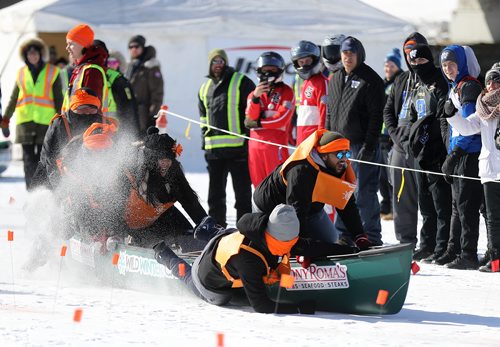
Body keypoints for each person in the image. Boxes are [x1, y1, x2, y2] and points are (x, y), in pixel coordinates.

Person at [153, 204, 357, 314]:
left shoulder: (277, 234)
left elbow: (309, 246)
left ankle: (209, 233)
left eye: (293, 240)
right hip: (209, 283)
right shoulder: (248, 260)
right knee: (194, 281)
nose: (291, 246)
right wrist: (298, 308)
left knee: (232, 238)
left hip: (223, 241)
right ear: (273, 236)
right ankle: (164, 254)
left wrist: (346, 249)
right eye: (287, 242)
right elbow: (261, 306)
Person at [253, 129, 371, 249]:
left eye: (347, 153)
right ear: (324, 155)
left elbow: (346, 203)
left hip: (309, 208)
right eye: (339, 154)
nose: (344, 159)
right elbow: (296, 210)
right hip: (273, 208)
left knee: (330, 239)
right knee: (282, 246)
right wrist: (304, 247)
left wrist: (359, 235)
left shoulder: (339, 166)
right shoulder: (301, 170)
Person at [325, 36, 385, 246]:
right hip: (339, 148)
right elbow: (330, 114)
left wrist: (369, 145)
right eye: (344, 54)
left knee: (364, 193)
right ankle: (345, 235)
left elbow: (377, 116)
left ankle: (371, 236)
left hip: (362, 146)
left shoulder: (371, 80)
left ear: (359, 55)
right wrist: (326, 142)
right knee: (340, 192)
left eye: (351, 54)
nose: (347, 58)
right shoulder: (335, 79)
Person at [443, 62, 500, 272]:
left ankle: (495, 255)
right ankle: (495, 256)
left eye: (497, 80)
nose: (492, 84)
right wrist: (452, 115)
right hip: (488, 169)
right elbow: (468, 127)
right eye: (489, 80)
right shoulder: (483, 107)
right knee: (493, 217)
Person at [122, 127, 208, 251]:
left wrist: (207, 225)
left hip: (160, 217)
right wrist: (113, 234)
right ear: (151, 159)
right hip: (130, 225)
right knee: (156, 244)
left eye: (169, 160)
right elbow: (112, 205)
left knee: (192, 239)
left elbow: (189, 202)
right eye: (162, 160)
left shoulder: (173, 170)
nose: (166, 164)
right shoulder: (131, 172)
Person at [436, 45, 483, 269]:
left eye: (452, 65)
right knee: (456, 205)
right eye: (444, 65)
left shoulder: (469, 87)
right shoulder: (454, 87)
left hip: (468, 153)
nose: (448, 69)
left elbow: (468, 126)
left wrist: (455, 154)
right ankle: (453, 249)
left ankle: (468, 253)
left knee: (466, 206)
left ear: (462, 64)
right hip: (457, 152)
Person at [383, 32, 429, 255]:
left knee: (429, 200)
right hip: (400, 146)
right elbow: (388, 111)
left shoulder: (433, 77)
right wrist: (393, 134)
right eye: (408, 51)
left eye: (416, 50)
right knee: (401, 198)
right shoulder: (401, 79)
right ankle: (405, 242)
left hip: (424, 147)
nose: (412, 55)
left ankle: (431, 244)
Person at [198, 48, 255, 227]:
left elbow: (252, 112)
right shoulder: (204, 87)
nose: (218, 65)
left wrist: (248, 141)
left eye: (221, 61)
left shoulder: (241, 82)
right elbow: (203, 118)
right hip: (214, 152)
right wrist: (205, 144)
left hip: (238, 150)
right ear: (209, 64)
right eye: (214, 61)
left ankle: (245, 232)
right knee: (215, 196)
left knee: (242, 195)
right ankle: (216, 231)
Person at [406, 44, 452, 264]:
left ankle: (442, 245)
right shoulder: (418, 85)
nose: (417, 66)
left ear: (429, 61)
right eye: (413, 62)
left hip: (437, 151)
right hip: (420, 153)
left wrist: (431, 139)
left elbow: (443, 116)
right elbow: (414, 114)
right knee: (425, 203)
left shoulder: (440, 82)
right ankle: (427, 245)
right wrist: (412, 138)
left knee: (441, 203)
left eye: (421, 62)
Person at [0, 38, 63, 190]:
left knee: (43, 159)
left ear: (40, 54)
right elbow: (14, 98)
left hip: (45, 123)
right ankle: (31, 191)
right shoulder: (21, 73)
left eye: (35, 53)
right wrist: (6, 120)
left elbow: (59, 99)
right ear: (26, 56)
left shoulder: (52, 72)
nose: (32, 56)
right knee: (28, 160)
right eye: (30, 54)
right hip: (25, 123)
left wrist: (61, 122)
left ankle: (42, 191)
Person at [35, 87, 115, 189]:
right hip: (62, 177)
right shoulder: (59, 123)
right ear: (73, 108)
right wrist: (58, 187)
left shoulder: (104, 123)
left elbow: (115, 153)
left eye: (92, 109)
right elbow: (47, 157)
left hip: (98, 179)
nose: (87, 113)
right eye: (82, 109)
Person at [244, 51, 295, 187]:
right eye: (265, 70)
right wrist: (255, 98)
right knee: (258, 187)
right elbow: (250, 118)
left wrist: (259, 123)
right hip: (255, 148)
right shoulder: (253, 94)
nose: (268, 74)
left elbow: (281, 119)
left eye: (272, 70)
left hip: (275, 147)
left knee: (277, 186)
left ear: (279, 71)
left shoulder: (287, 92)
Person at [94, 40, 140, 139]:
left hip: (111, 128)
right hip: (112, 128)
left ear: (120, 64)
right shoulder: (115, 79)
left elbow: (128, 108)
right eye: (109, 63)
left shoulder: (115, 79)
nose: (111, 66)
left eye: (114, 63)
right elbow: (129, 109)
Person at [62, 24, 109, 116]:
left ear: (82, 45)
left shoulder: (91, 71)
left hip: (83, 128)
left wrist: (78, 129)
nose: (67, 48)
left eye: (71, 44)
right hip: (76, 127)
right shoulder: (82, 69)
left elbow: (89, 111)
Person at [379, 48, 403, 221]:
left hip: (391, 134)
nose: (388, 68)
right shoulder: (383, 83)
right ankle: (386, 206)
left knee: (391, 175)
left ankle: (395, 207)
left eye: (392, 65)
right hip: (381, 134)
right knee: (381, 175)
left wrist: (392, 132)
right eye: (387, 65)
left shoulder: (399, 83)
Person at [290, 41, 328, 145]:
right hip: (302, 139)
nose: (304, 64)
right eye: (301, 62)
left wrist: (321, 140)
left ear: (314, 60)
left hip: (314, 141)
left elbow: (325, 113)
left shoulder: (321, 82)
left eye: (307, 61)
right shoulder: (306, 82)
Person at [125, 35, 164, 135]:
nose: (134, 49)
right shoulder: (130, 66)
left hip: (144, 116)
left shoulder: (151, 67)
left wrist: (153, 116)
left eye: (136, 46)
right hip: (130, 114)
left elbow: (157, 92)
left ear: (142, 47)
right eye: (131, 47)